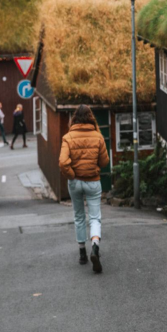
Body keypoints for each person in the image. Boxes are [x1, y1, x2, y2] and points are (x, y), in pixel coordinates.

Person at [59, 105, 109, 273]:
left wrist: (72, 174)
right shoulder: (98, 136)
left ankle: (82, 252)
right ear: (90, 117)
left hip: (75, 182)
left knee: (79, 215)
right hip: (93, 181)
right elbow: (104, 162)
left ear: (74, 118)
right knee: (95, 218)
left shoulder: (67, 137)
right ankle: (95, 245)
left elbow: (63, 162)